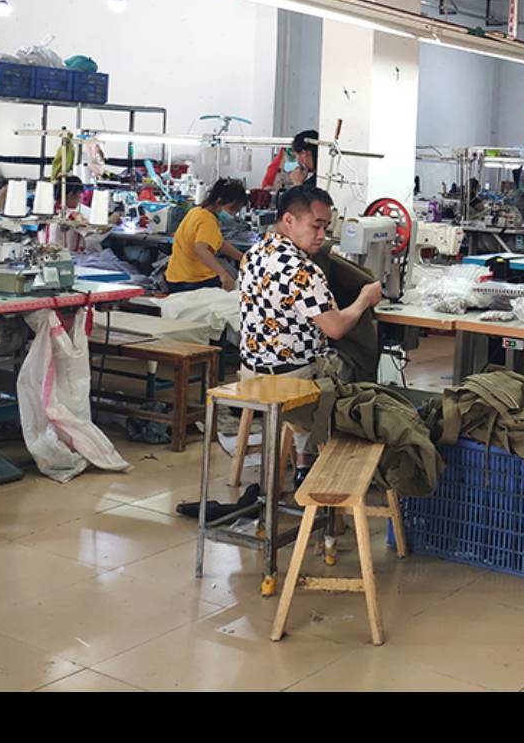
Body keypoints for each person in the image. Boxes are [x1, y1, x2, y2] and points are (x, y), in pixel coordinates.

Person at [238, 186, 383, 484]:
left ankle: (305, 460)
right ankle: (335, 464)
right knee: (356, 365)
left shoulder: (252, 255)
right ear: (289, 220)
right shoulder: (303, 270)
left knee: (316, 359)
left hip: (250, 374)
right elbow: (336, 327)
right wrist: (364, 299)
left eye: (326, 227)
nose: (321, 235)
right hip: (292, 379)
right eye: (316, 226)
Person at [163, 179, 248, 293]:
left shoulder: (196, 211)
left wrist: (243, 258)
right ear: (219, 201)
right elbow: (201, 249)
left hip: (174, 277)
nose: (233, 214)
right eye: (231, 209)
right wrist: (223, 275)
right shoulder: (207, 220)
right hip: (190, 281)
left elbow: (219, 243)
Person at [260, 128, 318, 195]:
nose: (298, 161)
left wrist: (297, 183)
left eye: (296, 156)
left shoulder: (313, 184)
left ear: (304, 154)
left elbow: (298, 201)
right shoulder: (316, 179)